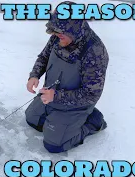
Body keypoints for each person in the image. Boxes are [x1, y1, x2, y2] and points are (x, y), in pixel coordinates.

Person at [25, 1, 109, 153]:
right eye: (55, 33)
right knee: (32, 120)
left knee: (54, 145)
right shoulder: (60, 35)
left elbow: (92, 94)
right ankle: (62, 119)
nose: (56, 36)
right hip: (50, 95)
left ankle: (93, 121)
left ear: (74, 30)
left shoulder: (95, 52)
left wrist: (56, 96)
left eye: (60, 34)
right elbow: (44, 57)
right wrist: (34, 75)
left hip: (75, 105)